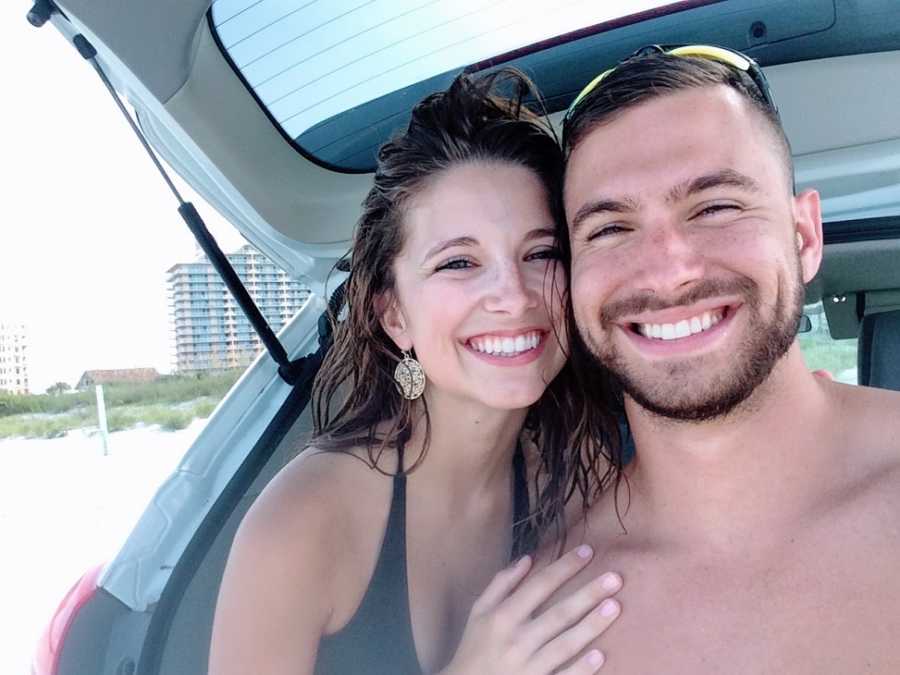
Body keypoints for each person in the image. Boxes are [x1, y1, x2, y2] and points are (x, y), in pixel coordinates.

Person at [209, 69, 626, 675]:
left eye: (541, 253)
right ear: (394, 314)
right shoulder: (304, 521)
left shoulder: (576, 478)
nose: (513, 295)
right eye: (459, 261)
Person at [552, 45, 900, 673]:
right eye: (609, 229)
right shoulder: (544, 606)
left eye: (715, 207)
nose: (667, 270)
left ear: (804, 237)